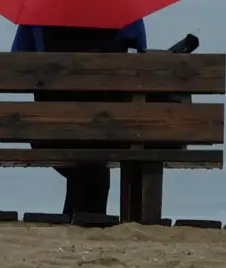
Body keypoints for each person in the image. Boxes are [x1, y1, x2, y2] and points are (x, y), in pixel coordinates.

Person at [12, 20, 147, 216]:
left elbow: (18, 63)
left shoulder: (38, 8)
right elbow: (142, 58)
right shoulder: (124, 7)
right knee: (94, 152)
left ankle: (77, 215)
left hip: (50, 133)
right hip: (111, 132)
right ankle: (89, 216)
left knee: (84, 155)